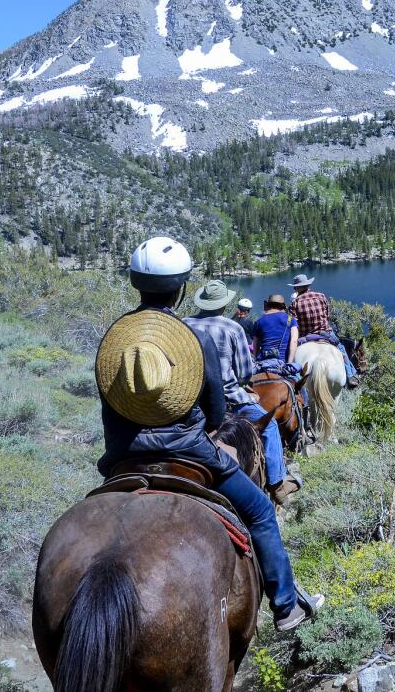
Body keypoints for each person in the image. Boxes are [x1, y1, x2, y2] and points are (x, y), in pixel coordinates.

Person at [96, 237, 322, 631]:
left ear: (135, 283)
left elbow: (109, 407)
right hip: (190, 451)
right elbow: (216, 410)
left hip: (122, 456)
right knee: (261, 512)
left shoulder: (116, 343)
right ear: (181, 287)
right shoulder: (191, 340)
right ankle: (286, 605)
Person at [185, 280, 292, 501]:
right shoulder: (232, 328)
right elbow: (245, 373)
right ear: (224, 305)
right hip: (230, 398)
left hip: (189, 400)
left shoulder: (184, 324)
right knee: (270, 426)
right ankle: (277, 483)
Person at [288, 273, 359, 388]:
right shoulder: (321, 296)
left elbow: (293, 324)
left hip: (305, 337)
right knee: (341, 350)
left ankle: (289, 378)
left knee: (290, 352)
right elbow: (327, 316)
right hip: (326, 334)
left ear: (296, 288)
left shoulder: (294, 303)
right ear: (308, 285)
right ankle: (350, 376)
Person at [252, 293, 298, 366]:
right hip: (282, 362)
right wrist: (289, 363)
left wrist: (255, 360)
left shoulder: (259, 321)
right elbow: (294, 341)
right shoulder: (291, 319)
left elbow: (256, 345)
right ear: (283, 306)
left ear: (268, 305)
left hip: (263, 362)